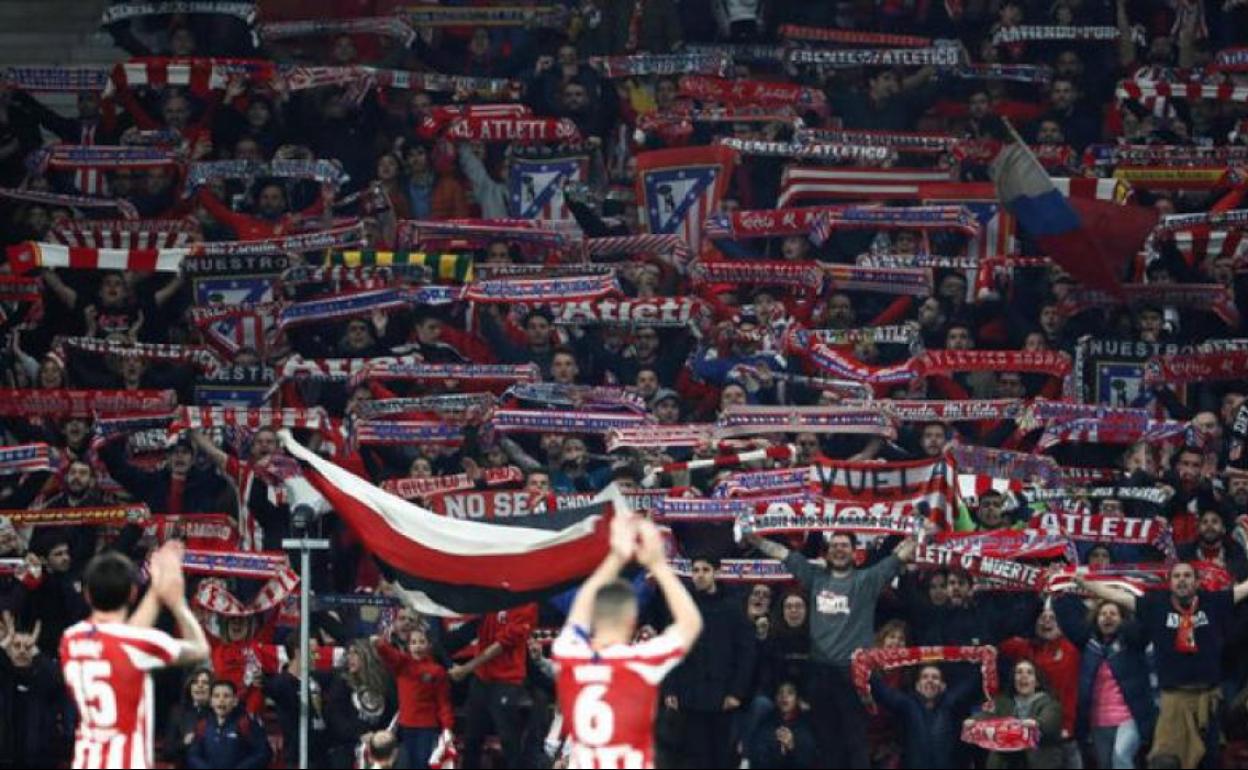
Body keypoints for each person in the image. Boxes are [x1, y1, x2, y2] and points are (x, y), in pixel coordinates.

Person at [743, 529, 919, 768]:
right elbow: (784, 554)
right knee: (827, 744)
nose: (838, 549)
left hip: (854, 674)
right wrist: (757, 540)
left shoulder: (866, 580)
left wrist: (922, 534)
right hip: (819, 673)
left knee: (855, 742)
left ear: (854, 552)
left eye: (844, 545)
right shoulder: (815, 577)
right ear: (827, 552)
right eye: (834, 545)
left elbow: (898, 557)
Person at [551, 514, 703, 769]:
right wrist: (658, 565)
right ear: (632, 619)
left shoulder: (569, 655)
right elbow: (691, 624)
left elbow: (578, 612)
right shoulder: (641, 662)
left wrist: (616, 557)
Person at [1078, 563, 1248, 768]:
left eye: (1187, 575)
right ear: (1170, 582)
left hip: (1209, 699)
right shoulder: (1156, 605)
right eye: (1177, 576)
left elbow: (1242, 589)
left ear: (1197, 582)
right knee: (1165, 761)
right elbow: (1118, 597)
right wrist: (1084, 581)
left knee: (1210, 760)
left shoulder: (1213, 602)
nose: (1182, 580)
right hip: (1173, 700)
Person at [59, 541, 211, 769]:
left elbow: (123, 636)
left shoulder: (71, 639)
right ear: (132, 594)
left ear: (87, 594)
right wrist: (176, 602)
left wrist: (155, 592)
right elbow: (200, 648)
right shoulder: (139, 643)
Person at [372, 623, 454, 769]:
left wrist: (447, 727)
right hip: (405, 725)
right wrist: (380, 645)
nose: (418, 646)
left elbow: (443, 702)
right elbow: (390, 655)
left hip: (427, 727)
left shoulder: (437, 671)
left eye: (422, 642)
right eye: (413, 642)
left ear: (429, 645)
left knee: (422, 764)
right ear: (408, 646)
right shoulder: (402, 664)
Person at [970, 659, 1065, 769]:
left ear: (1037, 681)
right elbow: (988, 714)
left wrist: (1036, 723)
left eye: (1029, 673)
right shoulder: (1003, 701)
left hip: (1038, 761)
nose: (1023, 676)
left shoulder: (1049, 703)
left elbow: (1049, 723)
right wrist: (975, 720)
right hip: (1007, 760)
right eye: (1019, 672)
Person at [186, 680, 271, 769]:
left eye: (226, 696)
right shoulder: (202, 726)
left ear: (235, 701)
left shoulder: (246, 723)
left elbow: (263, 753)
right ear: (211, 702)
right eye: (216, 696)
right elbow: (193, 756)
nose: (221, 700)